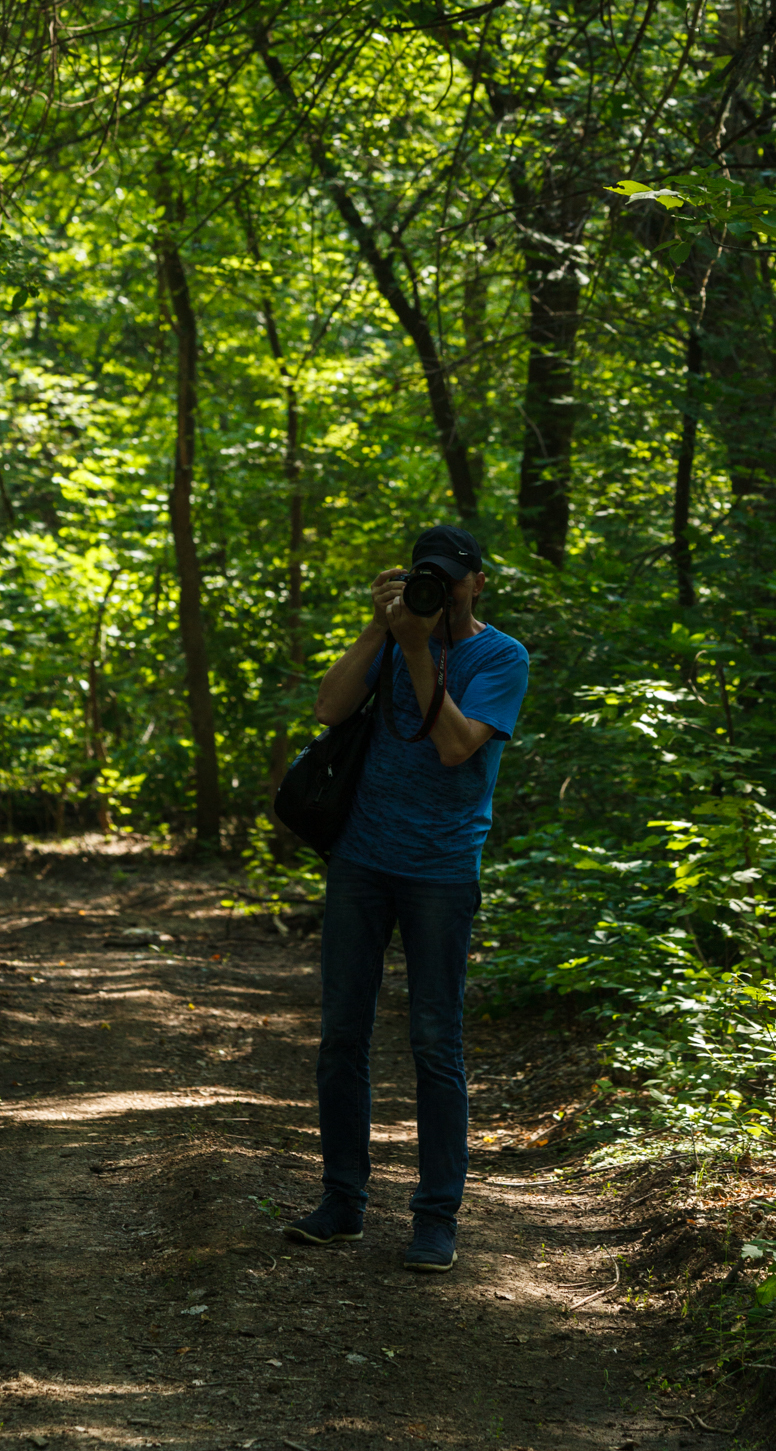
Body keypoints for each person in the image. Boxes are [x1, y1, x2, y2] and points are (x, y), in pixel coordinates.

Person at [284, 524, 529, 1273]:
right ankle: (341, 1203)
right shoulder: (392, 636)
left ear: (477, 582)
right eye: (427, 577)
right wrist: (380, 627)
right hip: (361, 859)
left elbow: (456, 747)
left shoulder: (500, 656)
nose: (441, 591)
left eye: (452, 579)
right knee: (341, 1037)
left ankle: (434, 1216)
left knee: (434, 1043)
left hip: (441, 870)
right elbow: (329, 708)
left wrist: (420, 652)